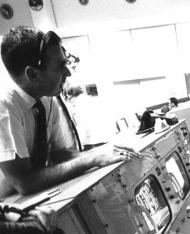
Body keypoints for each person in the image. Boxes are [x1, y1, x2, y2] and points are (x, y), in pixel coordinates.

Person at [0, 27, 138, 198]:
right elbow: (23, 182)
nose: (68, 72)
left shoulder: (47, 100)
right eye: (61, 66)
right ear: (33, 74)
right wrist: (91, 159)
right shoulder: (5, 106)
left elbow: (60, 155)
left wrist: (103, 151)